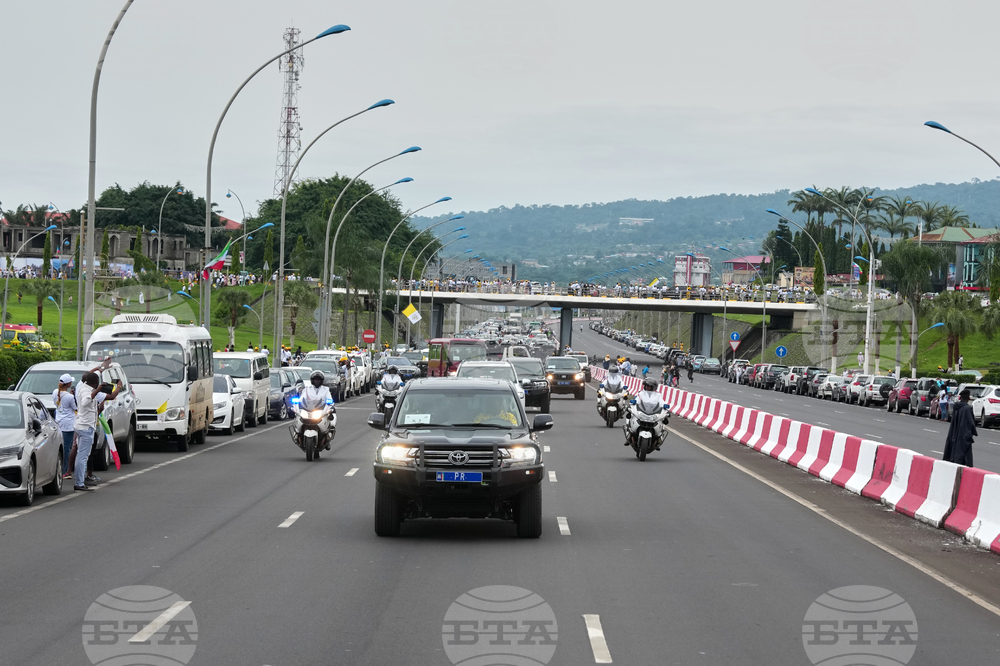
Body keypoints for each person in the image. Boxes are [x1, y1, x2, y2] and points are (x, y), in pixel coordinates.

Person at [74, 361, 121, 492]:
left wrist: (101, 368)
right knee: (83, 456)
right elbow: (85, 401)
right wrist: (118, 387)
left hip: (80, 425)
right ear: (95, 383)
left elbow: (90, 375)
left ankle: (81, 479)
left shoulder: (80, 385)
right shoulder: (90, 392)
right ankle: (79, 482)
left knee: (81, 455)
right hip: (86, 427)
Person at [943, 389, 977, 466]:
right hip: (963, 436)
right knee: (964, 458)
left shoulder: (957, 408)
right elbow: (970, 424)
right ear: (968, 398)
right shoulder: (967, 409)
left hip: (954, 434)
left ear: (960, 398)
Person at [53, 374, 77, 478]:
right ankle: (65, 470)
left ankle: (59, 469)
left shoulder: (55, 392)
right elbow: (75, 408)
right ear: (68, 384)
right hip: (68, 425)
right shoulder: (70, 397)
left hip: (58, 422)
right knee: (67, 448)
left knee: (60, 448)